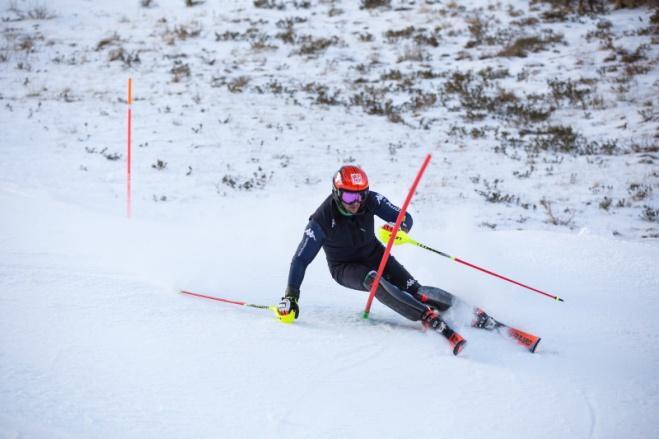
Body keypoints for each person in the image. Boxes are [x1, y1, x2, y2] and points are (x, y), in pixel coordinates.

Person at [277, 165, 472, 353]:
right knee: (375, 281)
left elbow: (404, 217)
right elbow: (300, 260)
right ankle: (426, 316)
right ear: (337, 193)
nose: (356, 202)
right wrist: (290, 297)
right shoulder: (321, 220)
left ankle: (467, 310)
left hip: (375, 253)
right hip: (345, 267)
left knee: (416, 290)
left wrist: (398, 229)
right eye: (349, 195)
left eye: (361, 195)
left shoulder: (370, 199)